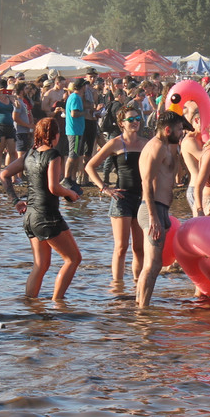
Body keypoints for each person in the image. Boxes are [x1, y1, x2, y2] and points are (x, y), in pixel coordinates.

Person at [1, 116, 82, 301]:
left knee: (41, 264)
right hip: (47, 216)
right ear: (56, 135)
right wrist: (70, 193)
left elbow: (4, 174)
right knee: (73, 259)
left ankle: (29, 305)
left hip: (30, 216)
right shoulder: (53, 155)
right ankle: (58, 303)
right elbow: (54, 187)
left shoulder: (29, 154)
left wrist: (15, 200)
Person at [85, 104, 148, 285]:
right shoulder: (115, 143)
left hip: (141, 198)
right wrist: (104, 188)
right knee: (121, 247)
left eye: (137, 119)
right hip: (121, 198)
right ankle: (117, 286)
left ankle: (138, 284)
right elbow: (90, 166)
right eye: (131, 120)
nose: (135, 122)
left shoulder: (146, 143)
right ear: (122, 123)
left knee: (139, 248)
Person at [136, 110, 191, 307]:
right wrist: (153, 217)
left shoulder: (167, 147)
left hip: (162, 209)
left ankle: (140, 305)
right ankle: (142, 310)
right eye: (178, 130)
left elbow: (173, 175)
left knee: (153, 265)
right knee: (152, 265)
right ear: (167, 130)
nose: (181, 133)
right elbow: (147, 183)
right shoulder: (156, 147)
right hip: (152, 209)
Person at [61, 78, 86, 194]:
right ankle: (66, 178)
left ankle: (72, 179)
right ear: (81, 87)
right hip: (74, 131)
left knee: (75, 155)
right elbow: (74, 113)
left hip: (77, 130)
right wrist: (85, 112)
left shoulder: (74, 97)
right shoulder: (75, 97)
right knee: (72, 155)